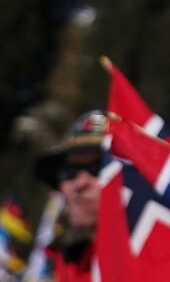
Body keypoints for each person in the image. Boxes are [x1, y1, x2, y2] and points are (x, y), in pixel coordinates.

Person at [32, 112, 106, 282]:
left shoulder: (158, 265)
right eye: (69, 171)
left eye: (97, 168)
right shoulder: (54, 263)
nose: (80, 184)